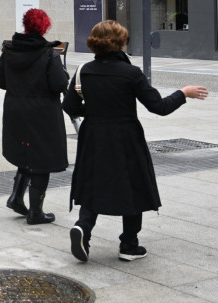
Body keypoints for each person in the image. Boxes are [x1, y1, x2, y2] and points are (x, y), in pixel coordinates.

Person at [63, 20, 208, 263]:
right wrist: (183, 93)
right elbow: (159, 107)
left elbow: (69, 106)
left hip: (94, 136)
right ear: (120, 43)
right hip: (125, 136)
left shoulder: (83, 71)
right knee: (133, 184)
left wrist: (97, 111)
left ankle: (83, 227)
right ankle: (129, 245)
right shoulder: (131, 73)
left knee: (94, 181)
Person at [0, 8, 69, 225]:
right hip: (42, 113)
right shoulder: (48, 54)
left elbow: (0, 81)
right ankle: (36, 212)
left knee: (26, 151)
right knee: (41, 159)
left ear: (25, 25)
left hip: (16, 109)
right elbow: (59, 84)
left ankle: (17, 196)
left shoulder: (9, 50)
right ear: (44, 27)